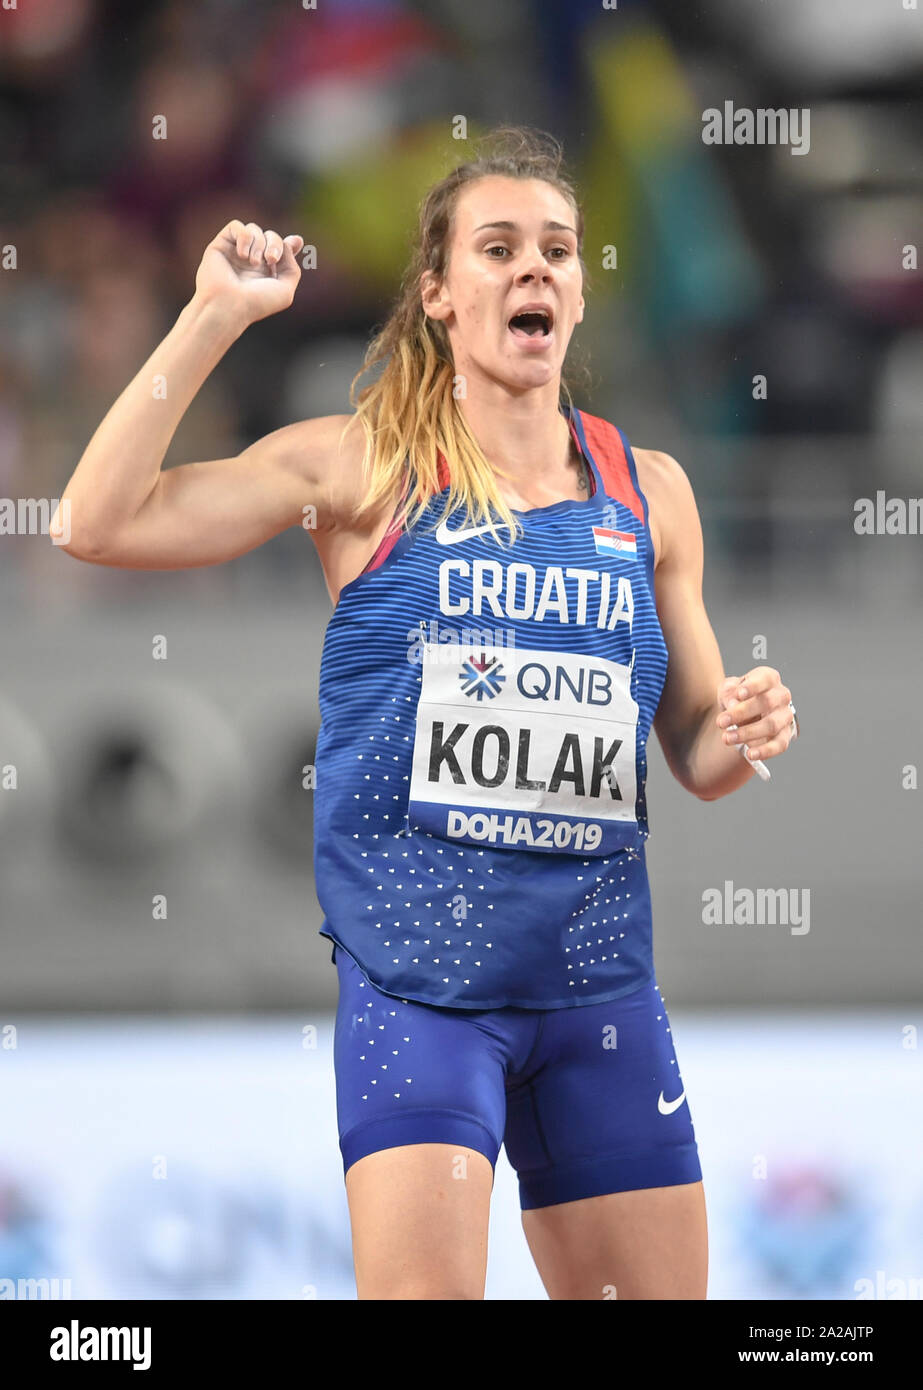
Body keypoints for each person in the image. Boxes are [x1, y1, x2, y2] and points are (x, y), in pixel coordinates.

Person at [53, 126, 798, 1301]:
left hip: (599, 993)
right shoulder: (360, 470)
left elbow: (698, 756)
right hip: (420, 996)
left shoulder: (650, 492)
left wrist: (741, 728)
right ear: (439, 294)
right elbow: (93, 523)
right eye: (495, 249)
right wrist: (212, 317)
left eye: (554, 248)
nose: (532, 270)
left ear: (580, 290)